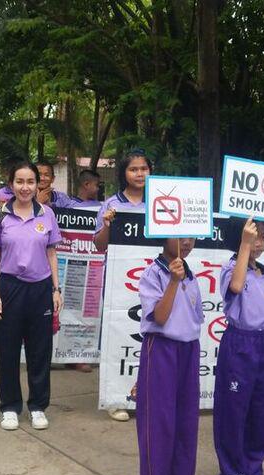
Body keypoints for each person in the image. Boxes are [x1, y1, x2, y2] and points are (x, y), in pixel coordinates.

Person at [0, 160, 63, 432]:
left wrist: (56, 289)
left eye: (30, 181)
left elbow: (51, 252)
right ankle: (9, 406)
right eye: (20, 181)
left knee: (40, 350)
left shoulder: (47, 214)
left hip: (40, 288)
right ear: (11, 184)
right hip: (9, 287)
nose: (25, 187)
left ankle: (38, 406)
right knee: (7, 350)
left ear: (38, 184)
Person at [212, 218, 264, 475]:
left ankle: (253, 470)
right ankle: (230, 474)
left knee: (260, 409)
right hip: (241, 343)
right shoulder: (232, 267)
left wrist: (250, 243)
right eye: (252, 236)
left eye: (262, 236)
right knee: (233, 410)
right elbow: (237, 286)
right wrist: (244, 244)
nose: (258, 242)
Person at [135, 236, 203, 475]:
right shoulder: (153, 274)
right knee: (158, 420)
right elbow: (160, 317)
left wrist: (181, 278)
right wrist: (173, 281)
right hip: (161, 349)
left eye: (192, 236)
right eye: (180, 235)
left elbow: (195, 318)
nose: (187, 242)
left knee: (186, 419)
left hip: (189, 350)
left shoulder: (191, 274)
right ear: (164, 233)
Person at [94, 149, 152, 421]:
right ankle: (116, 397)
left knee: (150, 340)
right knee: (119, 336)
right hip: (120, 282)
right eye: (133, 169)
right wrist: (107, 225)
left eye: (144, 168)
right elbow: (99, 244)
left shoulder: (160, 203)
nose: (139, 174)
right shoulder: (111, 204)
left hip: (154, 282)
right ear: (124, 173)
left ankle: (148, 396)